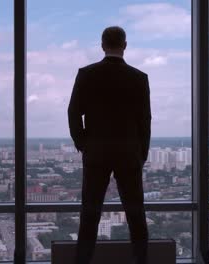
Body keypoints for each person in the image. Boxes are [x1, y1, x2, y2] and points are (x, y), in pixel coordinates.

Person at [68, 26, 151, 264]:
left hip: (96, 153)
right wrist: (141, 153)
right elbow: (144, 120)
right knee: (136, 213)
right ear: (125, 45)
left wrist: (84, 144)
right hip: (128, 153)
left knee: (90, 214)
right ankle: (141, 260)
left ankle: (82, 261)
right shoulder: (139, 78)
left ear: (102, 45)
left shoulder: (86, 74)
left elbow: (74, 113)